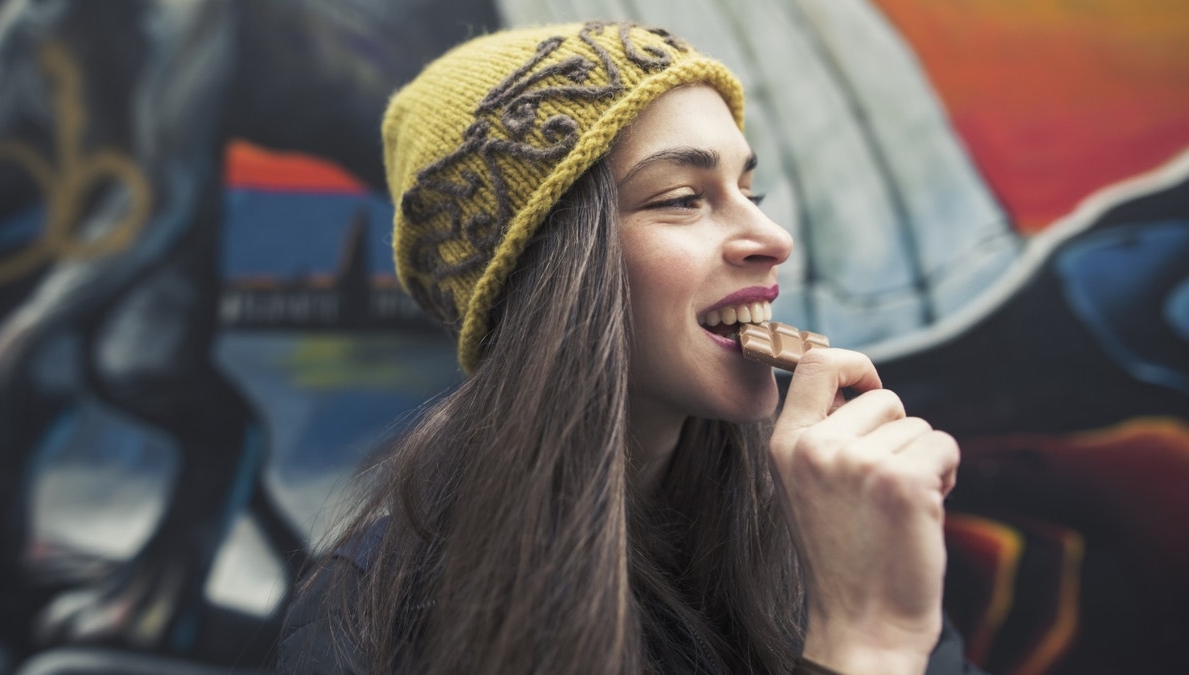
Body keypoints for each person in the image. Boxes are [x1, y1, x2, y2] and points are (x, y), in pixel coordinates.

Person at [277, 20, 983, 675]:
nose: (773, 238)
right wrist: (862, 644)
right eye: (682, 197)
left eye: (749, 188)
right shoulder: (371, 612)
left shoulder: (829, 537)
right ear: (546, 275)